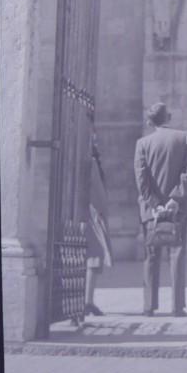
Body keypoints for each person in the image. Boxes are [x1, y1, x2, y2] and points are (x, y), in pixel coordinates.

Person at [134, 102, 187, 316]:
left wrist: (155, 204)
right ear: (168, 118)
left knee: (151, 255)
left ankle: (149, 306)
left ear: (151, 121)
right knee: (177, 254)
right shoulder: (184, 138)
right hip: (177, 208)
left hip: (151, 210)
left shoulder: (143, 143)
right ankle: (177, 307)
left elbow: (141, 179)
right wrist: (175, 199)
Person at [84, 132, 113, 316]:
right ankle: (87, 301)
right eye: (94, 141)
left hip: (88, 213)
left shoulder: (86, 161)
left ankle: (87, 300)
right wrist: (102, 213)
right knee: (94, 258)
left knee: (91, 259)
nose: (97, 143)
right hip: (93, 215)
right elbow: (98, 192)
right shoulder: (91, 163)